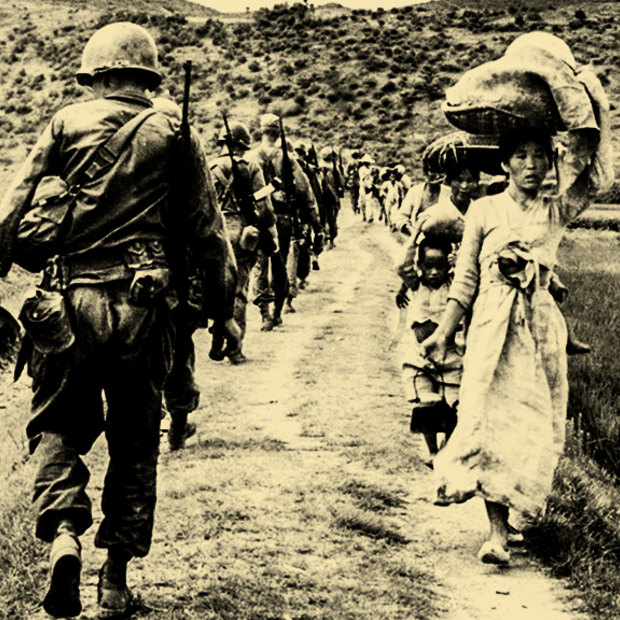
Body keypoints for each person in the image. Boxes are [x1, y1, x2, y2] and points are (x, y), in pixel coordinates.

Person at [0, 22, 237, 617]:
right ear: (148, 76)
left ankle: (63, 537)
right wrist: (221, 311)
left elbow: (12, 207)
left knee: (57, 427)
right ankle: (115, 578)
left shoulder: (65, 122)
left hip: (67, 304)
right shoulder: (174, 130)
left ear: (97, 73)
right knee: (135, 440)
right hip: (146, 307)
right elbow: (211, 237)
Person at [421, 73, 612, 565]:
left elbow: (594, 173)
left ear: (551, 162)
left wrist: (591, 103)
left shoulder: (556, 209)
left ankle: (521, 513)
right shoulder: (484, 210)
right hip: (490, 327)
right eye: (520, 156)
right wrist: (444, 332)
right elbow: (465, 279)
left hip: (539, 326)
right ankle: (497, 534)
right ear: (504, 163)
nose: (530, 165)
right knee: (487, 420)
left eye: (539, 156)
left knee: (532, 422)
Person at [209, 121, 278, 362]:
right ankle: (235, 348)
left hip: (215, 233)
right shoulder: (251, 166)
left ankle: (218, 339)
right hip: (242, 235)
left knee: (218, 288)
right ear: (242, 143)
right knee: (238, 292)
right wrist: (268, 228)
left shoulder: (210, 167)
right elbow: (264, 206)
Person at [248, 114, 322, 327]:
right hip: (282, 219)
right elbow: (304, 192)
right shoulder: (288, 159)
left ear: (260, 131)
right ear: (278, 134)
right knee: (279, 264)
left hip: (258, 218)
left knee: (260, 266)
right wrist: (316, 225)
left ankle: (264, 314)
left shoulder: (251, 157)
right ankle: (277, 312)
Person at [397, 237, 462, 467]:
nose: (434, 272)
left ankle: (447, 447)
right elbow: (402, 267)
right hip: (420, 356)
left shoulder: (454, 285)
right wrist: (414, 237)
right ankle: (432, 450)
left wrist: (460, 259)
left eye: (441, 266)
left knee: (455, 406)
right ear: (420, 266)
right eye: (428, 266)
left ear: (449, 267)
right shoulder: (417, 285)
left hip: (450, 356)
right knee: (426, 405)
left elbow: (471, 279)